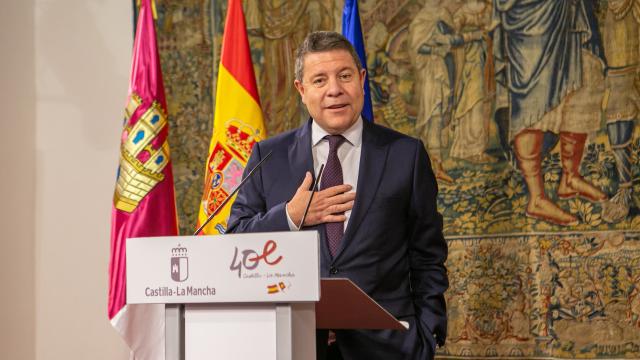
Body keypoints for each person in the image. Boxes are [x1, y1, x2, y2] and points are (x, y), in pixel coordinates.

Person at [227, 31, 448, 360]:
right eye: (319, 80)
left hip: (388, 347)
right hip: (293, 344)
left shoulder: (406, 155)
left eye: (344, 76)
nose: (334, 90)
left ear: (361, 80)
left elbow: (427, 256)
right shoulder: (267, 157)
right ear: (302, 90)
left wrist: (427, 333)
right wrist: (289, 216)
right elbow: (234, 241)